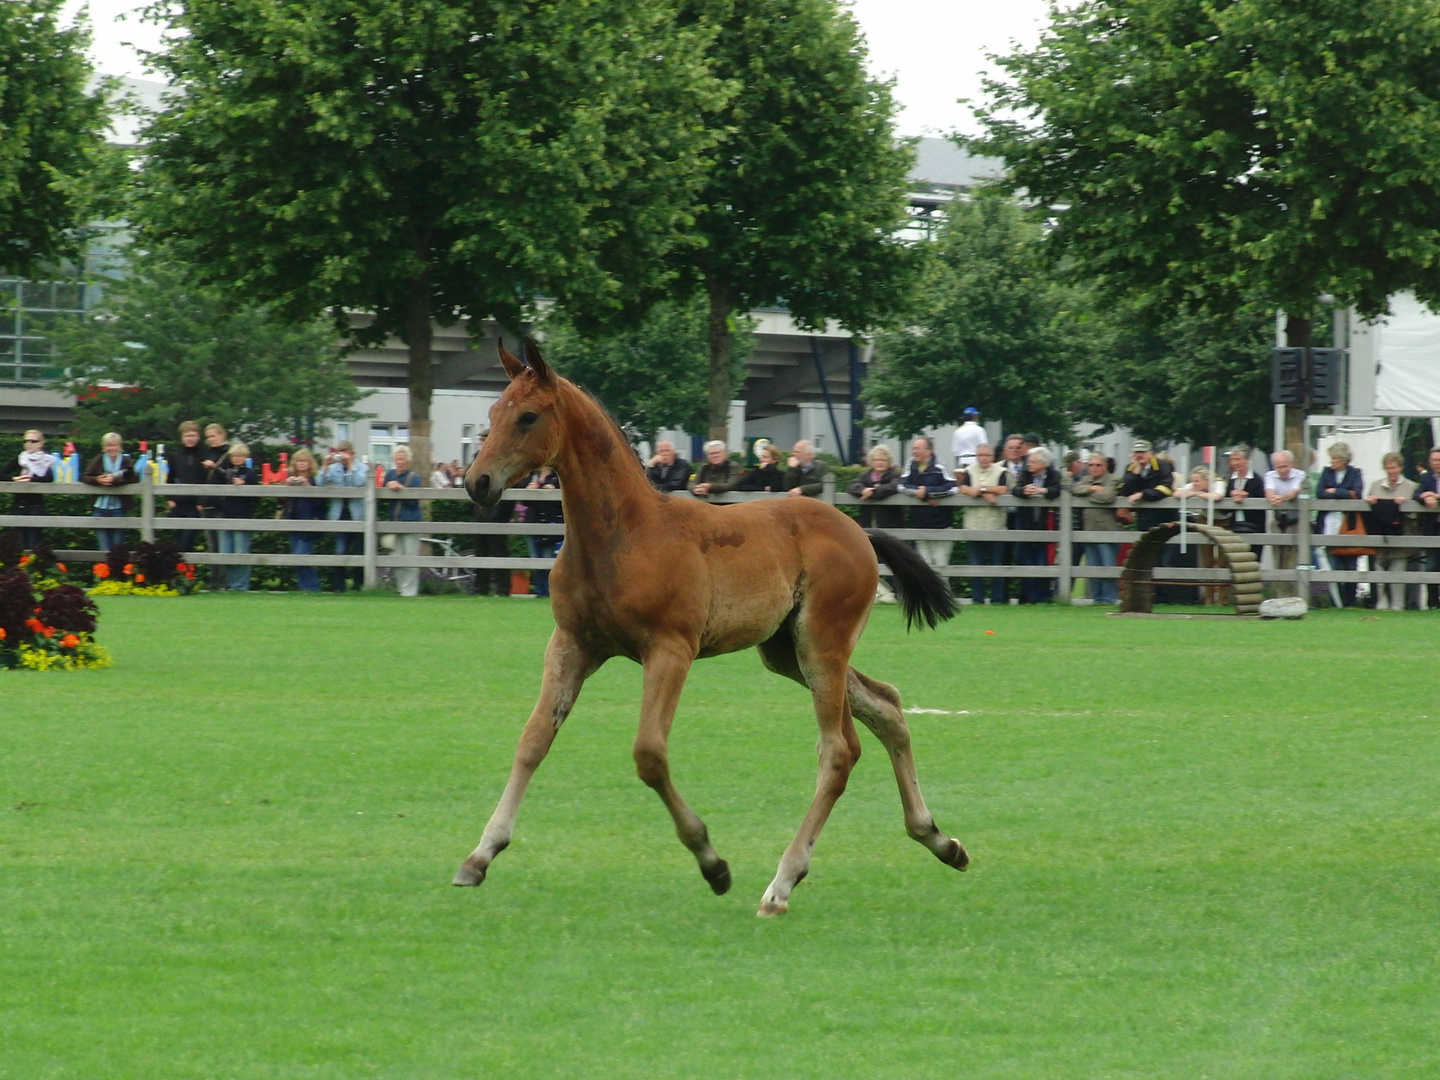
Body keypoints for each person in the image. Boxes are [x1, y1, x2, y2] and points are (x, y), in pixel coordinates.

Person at [959, 442, 1010, 605]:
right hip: (973, 525)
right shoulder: (969, 470)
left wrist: (981, 490)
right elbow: (963, 488)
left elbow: (1003, 489)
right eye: (980, 455)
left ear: (992, 457)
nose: (983, 458)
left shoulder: (1001, 471)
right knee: (976, 564)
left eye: (986, 455)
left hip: (995, 525)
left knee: (997, 564)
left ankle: (997, 598)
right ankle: (977, 598)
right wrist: (982, 493)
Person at [1316, 442, 1366, 608]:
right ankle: (1336, 602)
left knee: (1351, 564)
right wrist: (1345, 492)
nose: (1332, 461)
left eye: (1335, 458)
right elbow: (1320, 493)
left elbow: (1357, 493)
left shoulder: (1355, 473)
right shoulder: (1326, 472)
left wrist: (1334, 491)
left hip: (1349, 524)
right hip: (1329, 524)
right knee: (1334, 564)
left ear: (1344, 460)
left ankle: (1350, 601)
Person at [1367, 451, 1418, 610]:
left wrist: (1406, 505)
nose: (1391, 471)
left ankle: (1398, 605)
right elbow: (1368, 511)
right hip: (1380, 538)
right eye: (1388, 468)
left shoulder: (1411, 486)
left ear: (1401, 467)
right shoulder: (1376, 485)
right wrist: (1370, 502)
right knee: (1379, 575)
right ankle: (1381, 604)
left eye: (1394, 468)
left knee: (1398, 576)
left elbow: (1416, 514)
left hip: (1401, 539)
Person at [897, 437, 956, 571]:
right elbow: (901, 486)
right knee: (924, 570)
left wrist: (929, 491)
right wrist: (921, 494)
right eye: (913, 448)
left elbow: (953, 488)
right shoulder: (910, 464)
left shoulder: (941, 465)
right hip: (919, 525)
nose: (914, 451)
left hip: (941, 526)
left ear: (928, 451)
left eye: (917, 448)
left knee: (941, 569)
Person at [1010, 447, 1060, 603]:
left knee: (1042, 561)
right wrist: (1024, 491)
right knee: (1026, 560)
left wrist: (1042, 490)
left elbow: (1057, 490)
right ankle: (1029, 596)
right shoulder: (1024, 474)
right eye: (1029, 461)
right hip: (1027, 524)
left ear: (1043, 463)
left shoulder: (1054, 475)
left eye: (1032, 461)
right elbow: (1014, 489)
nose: (1029, 464)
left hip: (1045, 525)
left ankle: (1043, 596)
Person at [1070, 452, 1120, 605]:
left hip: (1106, 530)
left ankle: (1109, 598)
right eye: (1091, 465)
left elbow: (1107, 497)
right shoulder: (1086, 479)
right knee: (1093, 566)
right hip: (1089, 530)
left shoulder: (1113, 479)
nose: (1094, 468)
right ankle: (1097, 598)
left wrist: (1086, 493)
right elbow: (1074, 489)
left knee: (1107, 565)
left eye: (1098, 465)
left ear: (1105, 466)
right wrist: (1092, 489)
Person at [1174, 465, 1226, 605]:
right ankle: (1208, 598)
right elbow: (1177, 493)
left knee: (1223, 561)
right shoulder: (1194, 485)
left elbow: (1218, 496)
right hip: (1203, 520)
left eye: (1197, 481)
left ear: (1206, 480)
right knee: (1206, 560)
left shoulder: (1218, 483)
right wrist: (1195, 493)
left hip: (1223, 522)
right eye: (1193, 481)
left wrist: (1199, 495)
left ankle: (1222, 598)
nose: (1194, 484)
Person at [319, 440, 367, 592]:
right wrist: (325, 465)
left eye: (345, 451)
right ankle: (339, 586)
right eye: (340, 451)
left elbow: (358, 482)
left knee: (360, 552)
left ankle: (358, 585)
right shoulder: (334, 468)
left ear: (352, 453)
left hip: (358, 516)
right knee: (340, 551)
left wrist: (351, 465)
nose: (343, 454)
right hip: (340, 514)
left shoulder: (362, 468)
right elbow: (320, 483)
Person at [81, 432, 138, 553]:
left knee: (118, 547)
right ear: (104, 447)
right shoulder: (98, 460)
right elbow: (85, 476)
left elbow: (134, 478)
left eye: (114, 445)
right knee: (104, 548)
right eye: (108, 445)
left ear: (120, 446)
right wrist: (97, 480)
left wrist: (115, 480)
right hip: (100, 507)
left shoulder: (126, 460)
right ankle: (104, 570)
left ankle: (116, 571)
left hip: (119, 508)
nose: (111, 448)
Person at [382, 445, 425, 597]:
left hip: (410, 522)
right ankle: (401, 589)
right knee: (396, 557)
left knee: (410, 557)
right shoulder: (390, 474)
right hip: (394, 522)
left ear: (408, 461)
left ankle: (410, 591)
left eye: (402, 459)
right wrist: (388, 485)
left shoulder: (414, 477)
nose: (399, 462)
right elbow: (381, 490)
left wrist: (400, 489)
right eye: (397, 459)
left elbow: (414, 502)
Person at [1264, 450, 1306, 599]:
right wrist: (1273, 498)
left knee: (1292, 559)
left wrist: (1280, 498)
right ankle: (1280, 595)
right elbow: (1269, 490)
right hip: (1278, 520)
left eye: (1284, 466)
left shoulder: (1300, 475)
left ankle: (1293, 596)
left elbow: (1294, 492)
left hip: (1295, 521)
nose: (1282, 470)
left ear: (1292, 464)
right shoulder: (1270, 475)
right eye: (1278, 467)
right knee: (1278, 558)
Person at [281, 448, 325, 592]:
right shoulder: (290, 479)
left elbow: (320, 504)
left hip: (309, 524)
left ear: (310, 463)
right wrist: (286, 486)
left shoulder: (316, 479)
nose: (301, 464)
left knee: (302, 557)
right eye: (299, 461)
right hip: (292, 522)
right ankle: (303, 588)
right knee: (296, 559)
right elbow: (282, 501)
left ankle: (314, 588)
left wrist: (308, 487)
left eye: (304, 461)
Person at [217, 443, 258, 591]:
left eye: (240, 456)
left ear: (245, 457)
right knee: (226, 552)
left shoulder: (250, 473)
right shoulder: (227, 472)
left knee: (241, 552)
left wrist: (245, 484)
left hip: (242, 515)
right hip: (226, 515)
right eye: (234, 456)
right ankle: (232, 584)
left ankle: (242, 585)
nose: (237, 458)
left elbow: (256, 494)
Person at [165, 420, 208, 550]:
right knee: (179, 540)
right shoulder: (175, 457)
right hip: (178, 504)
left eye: (193, 435)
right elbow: (170, 478)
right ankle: (185, 570)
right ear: (182, 437)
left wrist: (202, 502)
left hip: (195, 505)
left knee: (186, 543)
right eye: (187, 436)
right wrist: (169, 498)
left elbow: (206, 480)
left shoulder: (204, 455)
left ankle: (184, 568)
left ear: (198, 437)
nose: (190, 439)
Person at [10, 428, 55, 549]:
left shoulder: (45, 460)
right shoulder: (20, 459)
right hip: (19, 505)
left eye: (33, 441)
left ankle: (32, 567)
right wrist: (15, 479)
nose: (29, 444)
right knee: (19, 544)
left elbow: (49, 477)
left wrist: (30, 480)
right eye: (26, 441)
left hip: (36, 507)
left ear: (41, 443)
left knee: (34, 544)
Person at [1119, 440, 1176, 531]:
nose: (1139, 455)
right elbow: (1124, 491)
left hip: (1165, 515)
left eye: (1142, 452)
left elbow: (1166, 488)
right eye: (1136, 452)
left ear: (1150, 453)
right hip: (1143, 516)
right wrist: (1135, 472)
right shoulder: (1131, 468)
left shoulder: (1162, 466)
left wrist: (1143, 494)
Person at [523, 465, 562, 597]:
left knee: (547, 558)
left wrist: (554, 490)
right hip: (532, 522)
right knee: (535, 558)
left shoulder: (557, 478)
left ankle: (548, 590)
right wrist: (528, 490)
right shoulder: (531, 476)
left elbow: (562, 501)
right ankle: (539, 590)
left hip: (549, 522)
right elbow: (523, 502)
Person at [847, 445, 903, 528]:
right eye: (876, 460)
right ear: (872, 462)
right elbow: (851, 485)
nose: (880, 463)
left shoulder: (895, 475)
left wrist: (872, 492)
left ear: (889, 462)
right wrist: (863, 490)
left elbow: (893, 487)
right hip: (868, 520)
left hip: (891, 522)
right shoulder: (865, 475)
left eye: (883, 460)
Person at [1219, 445, 1266, 537]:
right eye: (1232, 460)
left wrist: (1245, 497)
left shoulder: (1257, 480)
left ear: (1247, 460)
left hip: (1254, 526)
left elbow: (1263, 501)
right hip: (1234, 525)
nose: (1234, 463)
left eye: (1237, 459)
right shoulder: (1229, 479)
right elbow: (1223, 508)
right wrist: (1231, 497)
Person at [199, 422, 231, 554]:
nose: (211, 439)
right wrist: (200, 500)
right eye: (208, 437)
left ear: (222, 435)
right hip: (206, 503)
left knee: (222, 543)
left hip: (221, 504)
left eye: (213, 436)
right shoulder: (206, 453)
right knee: (212, 545)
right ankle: (215, 574)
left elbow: (229, 476)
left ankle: (223, 574)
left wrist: (215, 468)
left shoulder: (229, 454)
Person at [1417, 447, 1440, 608]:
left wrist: (1436, 496)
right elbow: (1416, 494)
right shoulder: (1426, 479)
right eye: (1434, 460)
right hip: (1433, 528)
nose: (1436, 463)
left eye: (1439, 460)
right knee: (1431, 565)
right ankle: (1432, 602)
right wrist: (1424, 495)